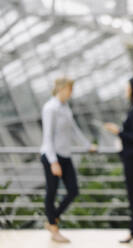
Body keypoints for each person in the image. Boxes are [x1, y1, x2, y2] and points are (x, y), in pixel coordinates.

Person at [40, 77, 96, 243]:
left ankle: (52, 219)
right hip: (52, 156)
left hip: (65, 155)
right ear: (61, 89)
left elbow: (73, 131)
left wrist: (87, 145)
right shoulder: (50, 108)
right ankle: (54, 228)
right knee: (52, 192)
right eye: (70, 89)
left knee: (73, 190)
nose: (71, 93)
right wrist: (53, 162)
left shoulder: (65, 107)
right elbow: (47, 136)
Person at [104, 77, 133, 244]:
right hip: (132, 156)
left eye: (127, 87)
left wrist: (118, 132)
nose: (126, 90)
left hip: (132, 157)